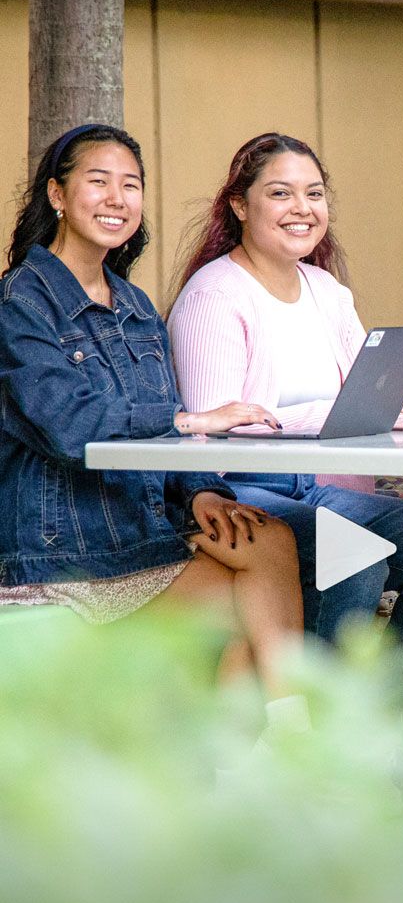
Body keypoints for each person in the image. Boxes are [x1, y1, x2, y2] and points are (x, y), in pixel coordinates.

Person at [0, 123, 305, 705]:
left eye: (131, 185)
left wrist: (199, 493)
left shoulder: (135, 306)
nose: (118, 198)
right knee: (246, 609)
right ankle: (272, 753)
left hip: (134, 543)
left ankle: (273, 745)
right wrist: (193, 420)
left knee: (270, 541)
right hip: (59, 559)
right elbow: (71, 426)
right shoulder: (21, 303)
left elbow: (160, 429)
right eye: (98, 182)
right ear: (57, 196)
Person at [168, 132, 403, 641]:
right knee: (354, 559)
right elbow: (213, 436)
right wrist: (334, 413)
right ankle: (325, 715)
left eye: (314, 193)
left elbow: (371, 397)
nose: (302, 208)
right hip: (243, 490)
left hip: (319, 490)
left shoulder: (327, 291)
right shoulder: (214, 296)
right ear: (239, 206)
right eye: (280, 193)